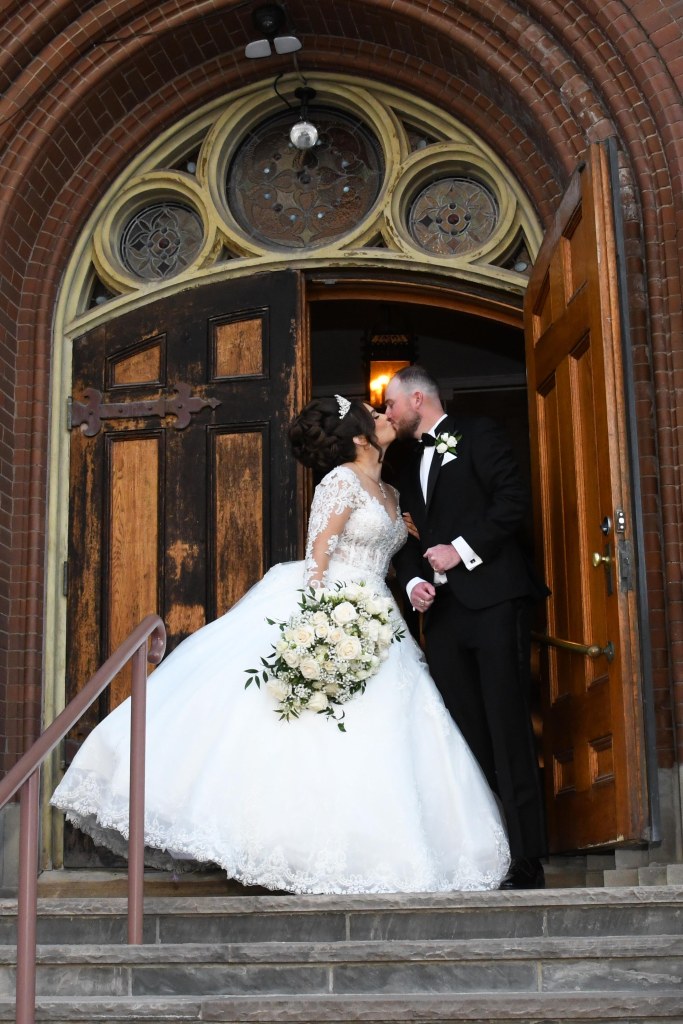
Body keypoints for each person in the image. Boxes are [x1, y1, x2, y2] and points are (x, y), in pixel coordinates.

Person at [52, 395, 510, 894]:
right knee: (311, 727)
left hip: (381, 617)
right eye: (372, 414)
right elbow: (320, 556)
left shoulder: (393, 493)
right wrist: (321, 629)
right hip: (336, 607)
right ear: (358, 436)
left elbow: (400, 557)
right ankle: (287, 846)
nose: (383, 417)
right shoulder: (340, 482)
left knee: (386, 728)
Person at [384, 366, 547, 889]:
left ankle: (527, 857)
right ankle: (488, 852)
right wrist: (412, 586)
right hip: (445, 616)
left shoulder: (479, 434)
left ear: (417, 398)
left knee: (506, 724)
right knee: (464, 733)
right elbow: (407, 540)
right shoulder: (405, 467)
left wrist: (462, 550)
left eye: (390, 405)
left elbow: (511, 503)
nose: (388, 414)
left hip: (496, 600)